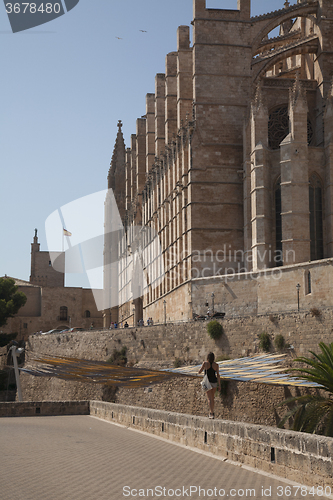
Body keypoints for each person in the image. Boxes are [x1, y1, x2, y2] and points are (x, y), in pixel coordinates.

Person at [198, 352, 221, 419]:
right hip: (214, 382)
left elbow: (200, 371)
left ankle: (211, 413)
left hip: (207, 383)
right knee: (212, 398)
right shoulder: (216, 365)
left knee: (209, 399)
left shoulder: (205, 363)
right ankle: (212, 412)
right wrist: (219, 385)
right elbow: (218, 375)